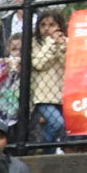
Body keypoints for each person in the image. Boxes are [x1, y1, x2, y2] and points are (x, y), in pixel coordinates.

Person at [26, 10, 68, 145]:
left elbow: (67, 63)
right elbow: (39, 63)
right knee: (58, 124)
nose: (46, 29)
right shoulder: (34, 43)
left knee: (63, 128)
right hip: (42, 96)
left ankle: (48, 150)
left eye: (51, 25)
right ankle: (43, 146)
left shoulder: (66, 41)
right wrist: (51, 43)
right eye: (43, 25)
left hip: (63, 94)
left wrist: (61, 45)